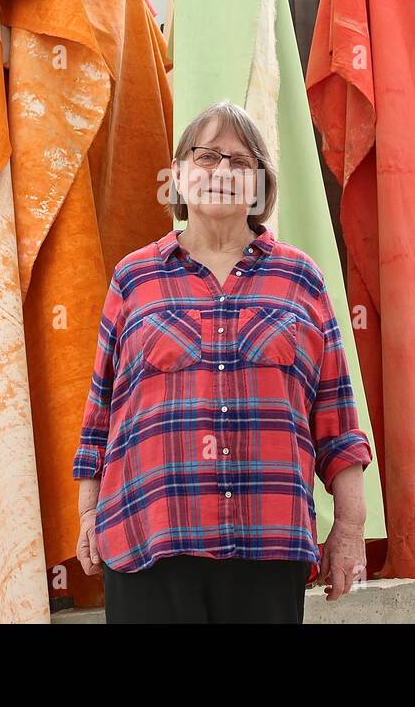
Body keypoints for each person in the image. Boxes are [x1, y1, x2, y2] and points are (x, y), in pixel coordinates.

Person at [72, 100, 371, 623]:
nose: (222, 172)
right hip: (150, 535)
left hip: (268, 539)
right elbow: (99, 414)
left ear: (260, 184)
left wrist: (348, 530)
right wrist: (87, 513)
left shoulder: (300, 279)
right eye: (206, 156)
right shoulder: (134, 277)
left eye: (240, 161)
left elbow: (338, 420)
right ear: (180, 175)